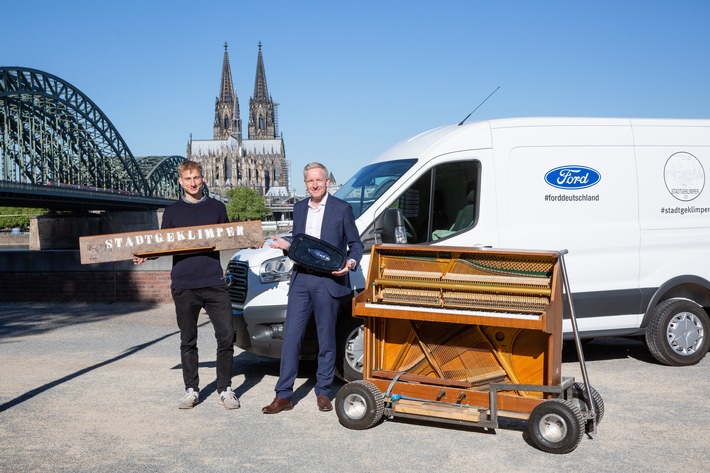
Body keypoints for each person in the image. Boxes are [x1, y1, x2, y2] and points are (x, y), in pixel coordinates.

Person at [134, 160, 240, 410]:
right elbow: (163, 245)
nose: (193, 183)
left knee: (226, 336)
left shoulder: (217, 208)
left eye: (197, 178)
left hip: (214, 282)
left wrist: (252, 240)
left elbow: (229, 239)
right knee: (188, 339)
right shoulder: (171, 212)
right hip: (184, 284)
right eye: (188, 179)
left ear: (203, 179)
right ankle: (191, 389)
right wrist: (145, 254)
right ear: (180, 181)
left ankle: (225, 389)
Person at [262, 162, 363, 414]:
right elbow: (302, 246)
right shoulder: (298, 208)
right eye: (310, 181)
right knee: (291, 339)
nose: (315, 185)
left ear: (327, 181)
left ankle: (323, 392)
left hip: (328, 281)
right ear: (305, 183)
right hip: (301, 281)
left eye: (319, 180)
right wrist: (286, 244)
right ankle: (283, 395)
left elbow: (356, 244)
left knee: (326, 339)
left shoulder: (342, 209)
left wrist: (350, 263)